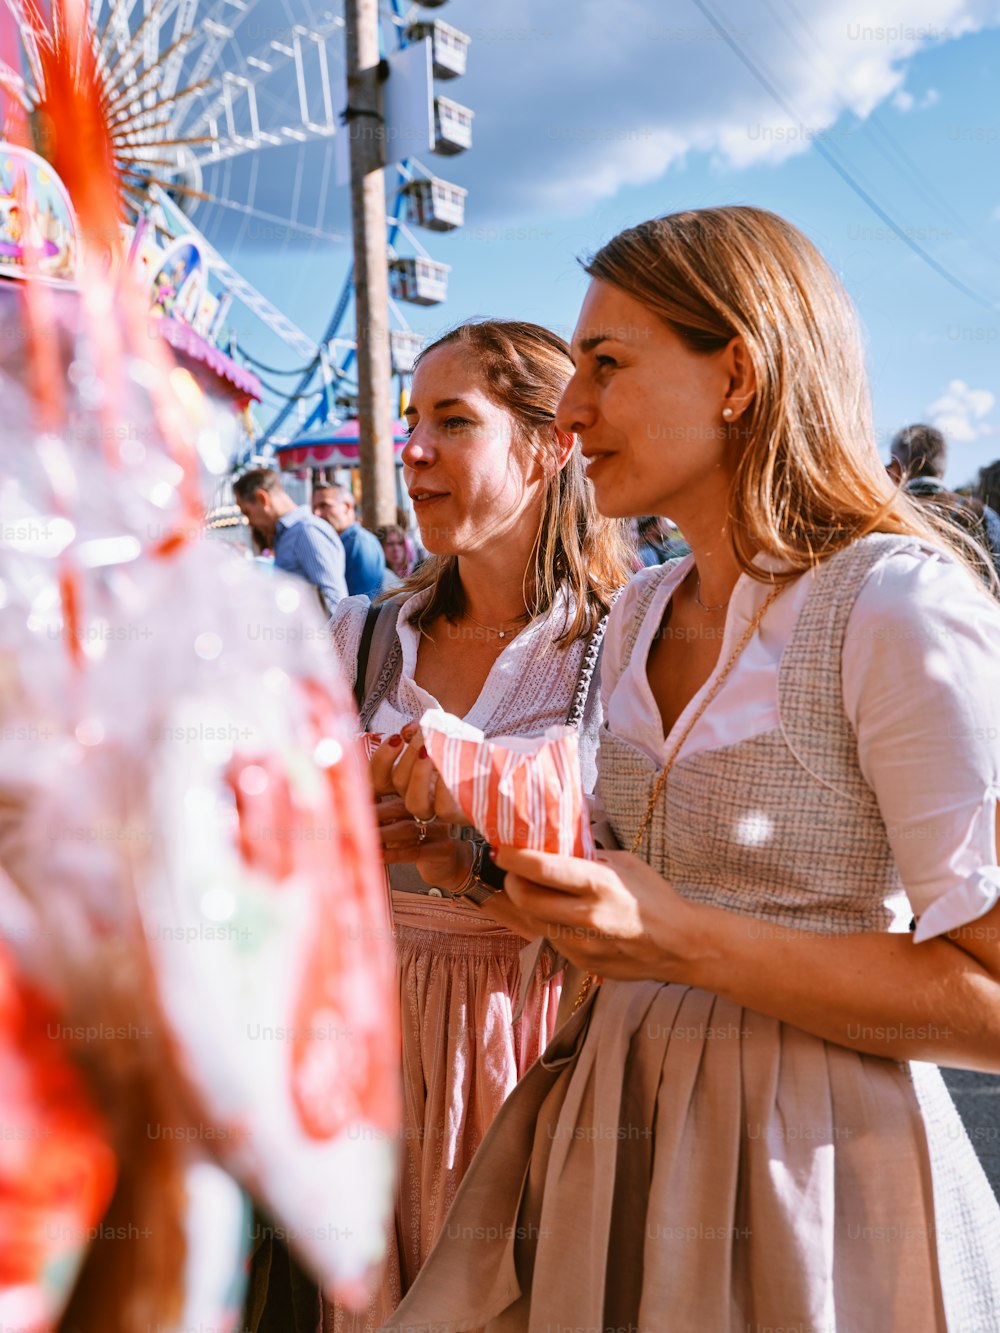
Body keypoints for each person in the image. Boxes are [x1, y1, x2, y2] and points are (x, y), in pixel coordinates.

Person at [385, 207, 1000, 1332]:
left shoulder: (896, 606)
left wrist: (687, 940)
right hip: (615, 1138)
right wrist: (474, 871)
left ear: (738, 376)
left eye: (607, 367)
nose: (572, 409)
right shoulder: (641, 610)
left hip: (809, 1167)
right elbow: (636, 907)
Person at [321, 319, 633, 1331]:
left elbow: (647, 882)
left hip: (537, 1040)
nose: (410, 449)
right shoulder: (361, 638)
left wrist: (477, 850)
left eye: (453, 421)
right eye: (412, 420)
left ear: (549, 448)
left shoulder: (619, 645)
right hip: (364, 1047)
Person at [890, 422, 1000, 580]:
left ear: (896, 466)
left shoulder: (885, 512)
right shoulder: (983, 514)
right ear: (943, 467)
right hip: (971, 601)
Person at [233, 468, 348, 613]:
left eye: (247, 512)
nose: (249, 522)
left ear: (262, 499)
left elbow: (335, 604)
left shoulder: (306, 531)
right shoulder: (289, 534)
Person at [312, 483, 387, 599]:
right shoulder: (346, 541)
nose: (317, 513)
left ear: (346, 507)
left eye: (324, 505)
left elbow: (361, 604)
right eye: (314, 508)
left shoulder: (359, 542)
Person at [376, 522, 415, 589]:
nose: (396, 549)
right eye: (390, 544)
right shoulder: (381, 577)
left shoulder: (412, 573)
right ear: (380, 546)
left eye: (400, 543)